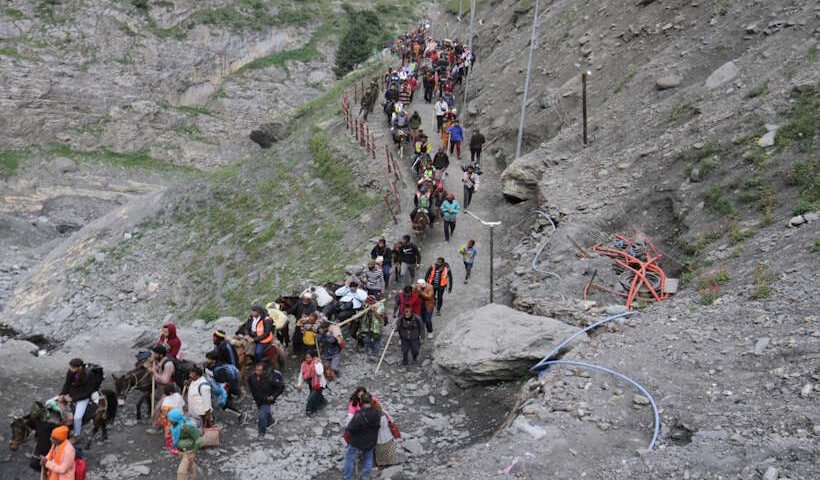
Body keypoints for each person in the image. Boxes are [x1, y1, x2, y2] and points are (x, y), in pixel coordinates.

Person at [343, 393, 382, 480]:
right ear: (371, 401)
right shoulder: (377, 412)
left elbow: (350, 428)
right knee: (368, 458)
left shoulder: (359, 415)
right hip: (371, 440)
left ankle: (347, 477)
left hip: (358, 442)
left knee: (349, 458)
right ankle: (365, 476)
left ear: (361, 401)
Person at [56, 358, 96, 439]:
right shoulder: (71, 372)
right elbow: (67, 384)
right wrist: (62, 394)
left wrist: (73, 399)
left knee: (77, 418)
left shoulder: (89, 375)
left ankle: (77, 435)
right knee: (51, 403)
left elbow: (88, 392)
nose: (71, 369)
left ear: (80, 367)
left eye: (73, 367)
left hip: (83, 396)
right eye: (70, 367)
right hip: (72, 393)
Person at [247, 362, 284, 440]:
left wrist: (273, 396)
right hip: (258, 399)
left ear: (264, 371)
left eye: (259, 371)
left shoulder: (270, 379)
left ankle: (261, 433)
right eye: (256, 370)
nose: (257, 372)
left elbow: (281, 387)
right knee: (263, 412)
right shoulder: (251, 377)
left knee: (262, 416)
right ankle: (271, 421)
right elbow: (251, 386)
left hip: (266, 400)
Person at [204, 351, 244, 424]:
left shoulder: (219, 370)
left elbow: (223, 382)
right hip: (212, 387)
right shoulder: (207, 365)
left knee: (225, 404)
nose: (206, 360)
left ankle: (240, 414)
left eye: (208, 358)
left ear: (214, 360)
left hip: (220, 388)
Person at [167, 409, 201, 480]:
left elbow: (198, 440)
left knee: (181, 472)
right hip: (181, 451)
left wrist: (193, 453)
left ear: (175, 419)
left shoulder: (187, 427)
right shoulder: (175, 427)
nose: (169, 421)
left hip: (188, 451)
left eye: (171, 419)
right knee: (191, 467)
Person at [296, 351, 327, 416]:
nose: (308, 359)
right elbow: (301, 375)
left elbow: (319, 372)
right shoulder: (303, 365)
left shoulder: (318, 363)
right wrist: (299, 384)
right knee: (316, 395)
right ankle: (322, 401)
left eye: (309, 357)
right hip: (310, 383)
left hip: (318, 384)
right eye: (306, 358)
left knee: (311, 397)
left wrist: (316, 364)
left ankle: (309, 410)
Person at [158, 384, 186, 452]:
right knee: (179, 433)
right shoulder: (178, 396)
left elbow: (163, 411)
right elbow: (183, 405)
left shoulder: (166, 400)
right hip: (180, 418)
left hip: (170, 420)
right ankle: (181, 446)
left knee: (169, 434)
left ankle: (171, 447)